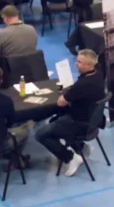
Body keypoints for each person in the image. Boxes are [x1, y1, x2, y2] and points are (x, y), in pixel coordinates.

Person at [35, 49, 105, 177]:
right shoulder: (98, 75)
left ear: (89, 65)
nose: (76, 64)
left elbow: (61, 102)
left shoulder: (82, 84)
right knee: (54, 122)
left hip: (78, 122)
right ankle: (81, 147)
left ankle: (70, 157)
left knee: (40, 135)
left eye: (79, 62)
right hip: (92, 120)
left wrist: (66, 95)